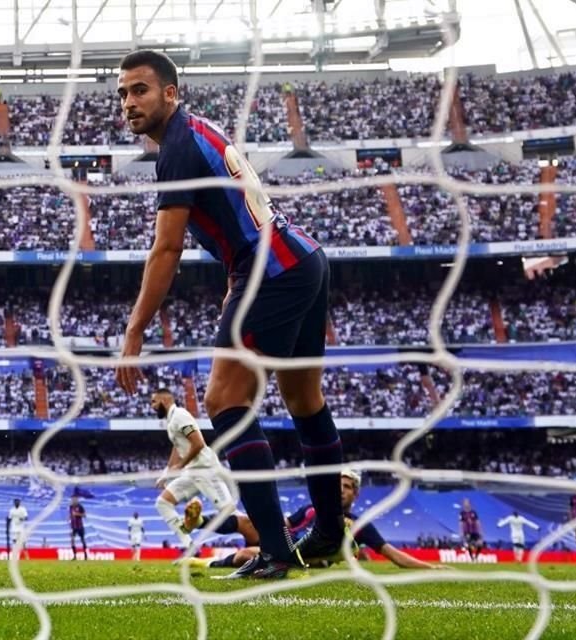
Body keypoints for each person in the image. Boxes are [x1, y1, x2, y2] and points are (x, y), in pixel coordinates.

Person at [115, 49, 343, 579]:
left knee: (222, 400)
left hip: (271, 269)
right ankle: (329, 533)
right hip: (300, 258)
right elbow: (236, 213)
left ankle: (275, 550)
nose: (129, 102)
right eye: (123, 93)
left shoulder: (176, 148)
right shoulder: (196, 131)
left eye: (140, 90)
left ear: (170, 93)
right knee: (305, 401)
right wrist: (233, 284)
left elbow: (166, 249)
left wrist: (134, 331)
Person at [192, 469, 445, 571]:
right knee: (245, 521)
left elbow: (393, 555)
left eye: (347, 487)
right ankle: (199, 521)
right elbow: (284, 526)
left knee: (245, 555)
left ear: (355, 493)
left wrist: (431, 568)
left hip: (310, 558)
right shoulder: (311, 509)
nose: (341, 490)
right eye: (338, 485)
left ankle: (205, 565)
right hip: (288, 544)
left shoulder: (358, 524)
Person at [151, 390, 234, 549]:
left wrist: (180, 466)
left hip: (206, 470)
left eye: (154, 402)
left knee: (229, 513)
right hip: (192, 473)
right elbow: (177, 447)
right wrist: (166, 474)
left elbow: (198, 443)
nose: (152, 406)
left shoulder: (180, 415)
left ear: (164, 400)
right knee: (162, 503)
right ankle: (188, 545)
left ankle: (264, 539)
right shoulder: (171, 421)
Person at [69, 495, 88, 559]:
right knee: (72, 540)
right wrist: (70, 518)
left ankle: (85, 555)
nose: (73, 500)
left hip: (80, 526)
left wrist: (77, 514)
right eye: (72, 499)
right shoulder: (71, 507)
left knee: (82, 540)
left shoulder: (80, 506)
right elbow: (71, 514)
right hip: (73, 527)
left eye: (74, 499)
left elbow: (84, 515)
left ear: (77, 499)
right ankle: (74, 556)